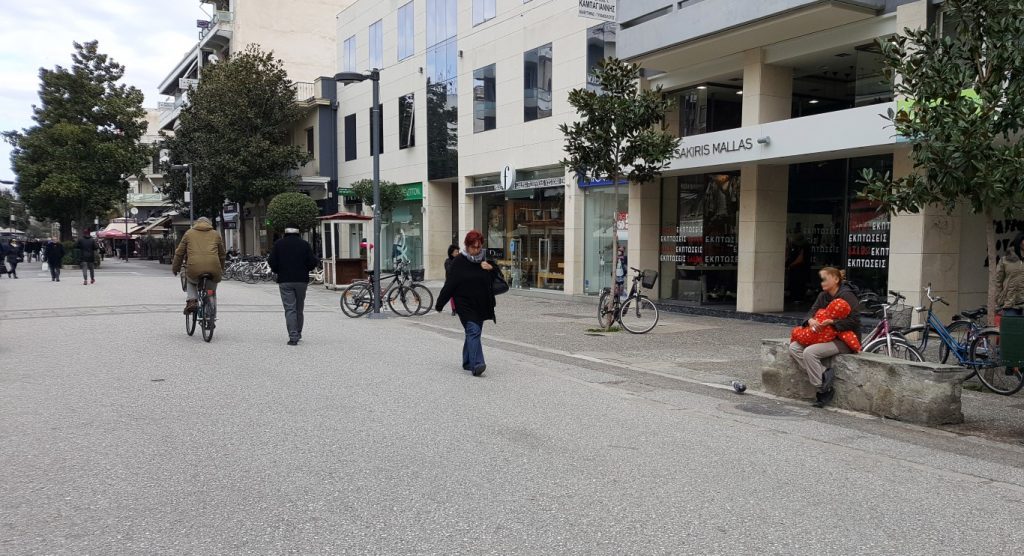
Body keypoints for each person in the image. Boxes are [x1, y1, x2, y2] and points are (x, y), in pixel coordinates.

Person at [789, 267, 862, 408]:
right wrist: (810, 320)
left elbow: (855, 321)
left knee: (810, 352)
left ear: (836, 279)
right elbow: (811, 312)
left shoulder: (847, 296)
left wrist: (833, 322)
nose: (822, 282)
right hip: (822, 336)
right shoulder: (823, 295)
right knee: (794, 347)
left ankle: (823, 389)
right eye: (821, 279)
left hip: (843, 339)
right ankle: (824, 373)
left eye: (825, 279)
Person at [435, 230, 499, 377]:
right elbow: (450, 284)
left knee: (473, 332)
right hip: (464, 304)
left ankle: (467, 361)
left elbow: (497, 276)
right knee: (473, 330)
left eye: (478, 247)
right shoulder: (459, 261)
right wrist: (440, 304)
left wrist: (491, 268)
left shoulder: (485, 259)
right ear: (467, 245)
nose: (476, 250)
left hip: (481, 304)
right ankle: (477, 364)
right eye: (473, 247)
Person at [267, 227, 318, 346]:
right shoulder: (305, 244)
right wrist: (305, 269)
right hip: (301, 280)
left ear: (285, 233)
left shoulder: (279, 244)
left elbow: (271, 261)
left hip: (285, 280)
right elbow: (312, 262)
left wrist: (278, 270)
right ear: (298, 233)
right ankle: (298, 333)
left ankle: (293, 336)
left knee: (290, 309)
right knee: (299, 308)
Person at [171, 217, 226, 316]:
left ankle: (192, 300)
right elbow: (222, 255)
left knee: (190, 280)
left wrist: (176, 268)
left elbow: (179, 253)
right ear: (209, 224)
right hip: (213, 267)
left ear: (196, 224)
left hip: (194, 268)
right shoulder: (216, 234)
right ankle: (211, 311)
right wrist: (221, 269)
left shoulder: (189, 233)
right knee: (211, 289)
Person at [996, 232, 1024, 318]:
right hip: (1010, 304)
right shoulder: (1005, 260)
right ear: (1019, 241)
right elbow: (998, 281)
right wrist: (998, 300)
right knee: (1011, 326)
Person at [444, 243, 460, 315]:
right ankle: (454, 309)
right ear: (451, 253)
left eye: (458, 251)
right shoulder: (447, 261)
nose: (457, 253)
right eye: (456, 252)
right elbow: (449, 270)